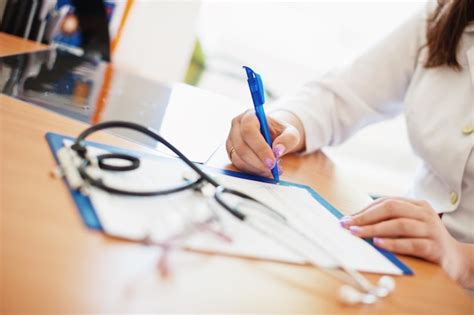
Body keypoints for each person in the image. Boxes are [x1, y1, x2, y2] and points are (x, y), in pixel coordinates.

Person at [226, 0, 474, 289]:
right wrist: (282, 125)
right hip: (408, 259)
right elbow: (343, 94)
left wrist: (460, 257)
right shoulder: (447, 12)